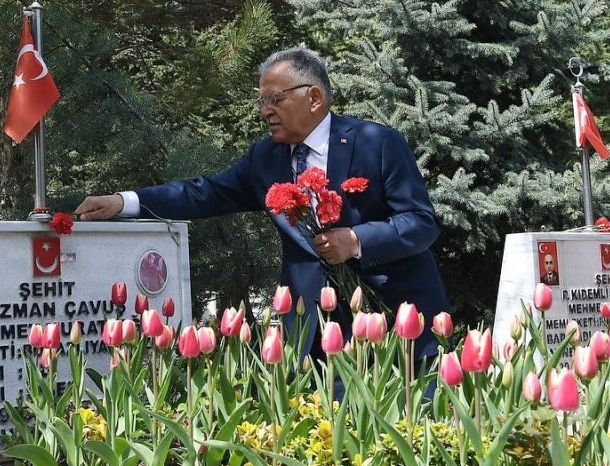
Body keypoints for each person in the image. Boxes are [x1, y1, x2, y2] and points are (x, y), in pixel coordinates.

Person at [75, 46, 448, 364]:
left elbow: (420, 222)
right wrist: (124, 202)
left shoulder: (377, 142)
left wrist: (355, 239)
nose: (265, 110)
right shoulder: (265, 160)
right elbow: (202, 193)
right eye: (261, 101)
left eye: (275, 99)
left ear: (314, 97)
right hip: (311, 333)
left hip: (394, 321)